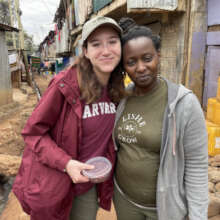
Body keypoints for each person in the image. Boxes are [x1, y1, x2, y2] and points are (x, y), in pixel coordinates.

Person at [13, 16, 124, 220]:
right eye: (96, 44)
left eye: (112, 41)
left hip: (87, 186)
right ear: (85, 51)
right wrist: (66, 163)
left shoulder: (118, 87)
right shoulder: (65, 85)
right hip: (53, 182)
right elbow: (33, 133)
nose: (106, 50)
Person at [113, 17, 208, 220]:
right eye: (131, 62)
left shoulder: (184, 104)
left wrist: (198, 216)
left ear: (159, 56)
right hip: (124, 201)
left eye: (147, 58)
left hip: (164, 210)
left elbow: (197, 167)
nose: (140, 68)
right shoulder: (122, 100)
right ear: (124, 66)